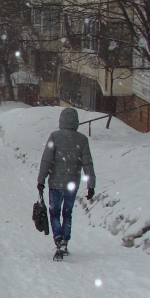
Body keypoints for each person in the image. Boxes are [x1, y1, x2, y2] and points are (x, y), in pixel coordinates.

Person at [37, 108, 95, 260]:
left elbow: (46, 160)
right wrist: (91, 185)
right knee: (67, 213)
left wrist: (41, 181)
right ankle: (65, 240)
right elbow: (88, 164)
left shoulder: (55, 136)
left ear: (61, 120)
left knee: (54, 212)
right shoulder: (82, 140)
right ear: (76, 121)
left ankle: (58, 239)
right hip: (72, 184)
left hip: (55, 183)